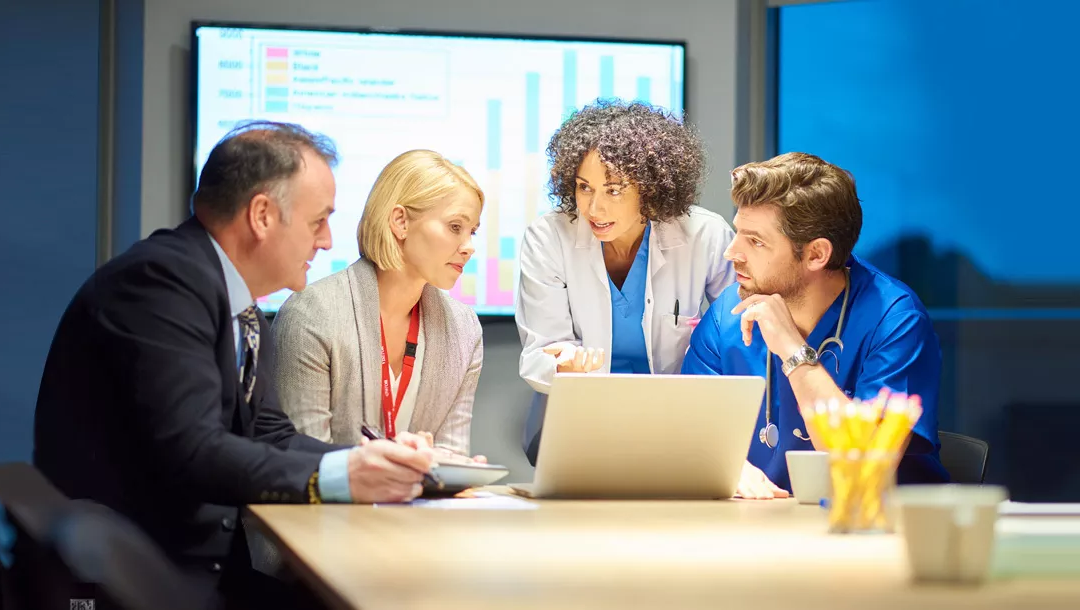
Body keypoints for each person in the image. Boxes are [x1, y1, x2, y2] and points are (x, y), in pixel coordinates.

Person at [33, 122, 436, 609]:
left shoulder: (232, 298)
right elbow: (194, 451)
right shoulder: (160, 283)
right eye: (318, 222)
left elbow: (271, 433)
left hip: (188, 566)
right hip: (138, 578)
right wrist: (344, 476)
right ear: (262, 215)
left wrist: (377, 461)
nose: (328, 241)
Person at [681, 152, 950, 500]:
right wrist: (729, 469)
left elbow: (862, 465)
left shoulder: (895, 320)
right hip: (760, 532)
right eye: (737, 234)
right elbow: (689, 435)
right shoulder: (726, 316)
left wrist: (794, 352)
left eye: (756, 241)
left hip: (876, 535)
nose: (732, 252)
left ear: (816, 255)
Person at [515, 100, 736, 464]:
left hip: (676, 425)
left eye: (614, 190)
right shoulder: (549, 237)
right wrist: (564, 365)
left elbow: (741, 336)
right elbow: (540, 353)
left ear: (649, 190)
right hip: (579, 426)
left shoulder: (704, 235)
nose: (593, 208)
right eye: (584, 187)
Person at [266, 149, 486, 461]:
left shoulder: (464, 328)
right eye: (455, 227)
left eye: (472, 231)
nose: (469, 247)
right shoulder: (312, 313)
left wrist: (459, 467)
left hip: (420, 508)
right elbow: (302, 462)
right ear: (400, 222)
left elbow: (450, 455)